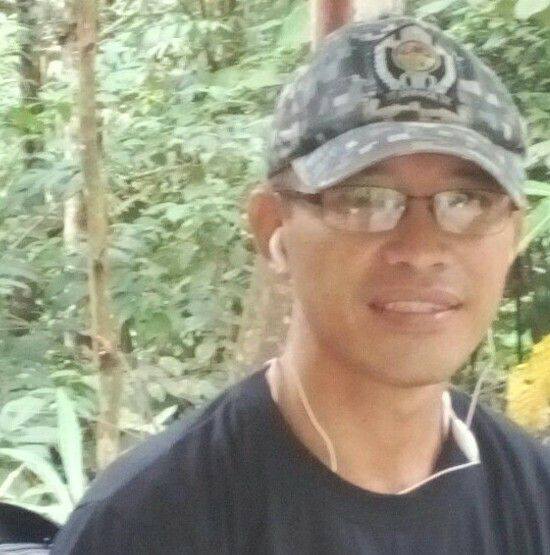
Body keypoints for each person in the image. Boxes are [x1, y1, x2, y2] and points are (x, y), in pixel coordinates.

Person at [51, 16, 550, 554]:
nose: (422, 248)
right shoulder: (149, 523)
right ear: (273, 229)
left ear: (512, 233)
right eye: (364, 200)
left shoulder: (535, 501)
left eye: (468, 201)